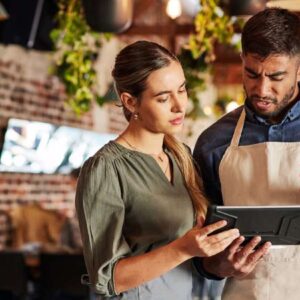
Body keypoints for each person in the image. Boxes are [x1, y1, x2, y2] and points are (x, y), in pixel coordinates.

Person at [75, 40, 240, 299]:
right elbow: (107, 279)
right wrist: (182, 249)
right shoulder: (106, 168)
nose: (179, 105)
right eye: (163, 98)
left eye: (182, 90)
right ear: (130, 102)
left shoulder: (180, 154)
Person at [193, 7, 300, 300]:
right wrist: (220, 265)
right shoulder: (213, 142)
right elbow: (198, 249)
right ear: (241, 61)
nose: (262, 89)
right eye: (252, 74)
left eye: (276, 77)